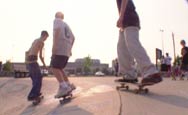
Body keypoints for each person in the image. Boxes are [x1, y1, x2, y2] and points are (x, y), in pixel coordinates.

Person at [116, 0, 162, 85]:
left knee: (132, 44)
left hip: (130, 19)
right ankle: (129, 75)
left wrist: (121, 17)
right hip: (125, 22)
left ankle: (151, 72)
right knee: (121, 47)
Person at [51, 12, 75, 98]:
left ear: (59, 16)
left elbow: (57, 32)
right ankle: (68, 85)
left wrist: (54, 47)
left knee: (54, 67)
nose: (55, 16)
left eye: (56, 15)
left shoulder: (57, 20)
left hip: (59, 48)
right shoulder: (66, 25)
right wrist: (70, 49)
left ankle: (64, 87)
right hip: (66, 51)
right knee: (60, 68)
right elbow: (74, 38)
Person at [26, 30, 48, 101]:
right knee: (39, 77)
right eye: (46, 37)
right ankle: (32, 95)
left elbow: (28, 51)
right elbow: (41, 56)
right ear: (44, 35)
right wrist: (44, 65)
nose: (46, 39)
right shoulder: (41, 42)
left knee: (35, 79)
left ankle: (36, 93)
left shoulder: (35, 40)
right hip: (33, 62)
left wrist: (26, 61)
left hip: (29, 62)